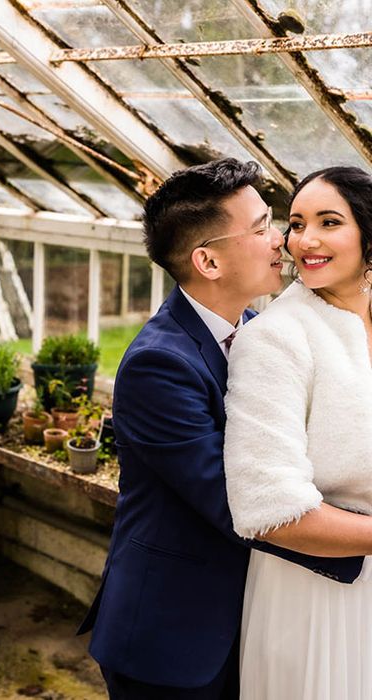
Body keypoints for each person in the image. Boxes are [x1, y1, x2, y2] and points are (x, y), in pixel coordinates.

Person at [78, 158, 365, 700]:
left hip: (252, 613)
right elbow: (239, 501)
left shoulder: (259, 331)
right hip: (173, 632)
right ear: (207, 260)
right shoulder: (158, 365)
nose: (282, 239)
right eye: (260, 228)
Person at [224, 166, 372, 699]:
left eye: (328, 222)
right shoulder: (275, 338)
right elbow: (266, 511)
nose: (304, 240)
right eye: (296, 223)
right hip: (317, 597)